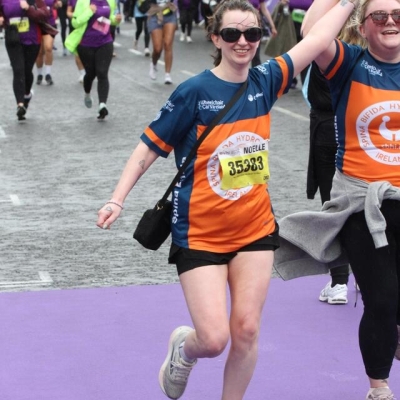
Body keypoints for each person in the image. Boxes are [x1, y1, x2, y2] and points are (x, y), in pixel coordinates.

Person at [96, 0, 358, 398]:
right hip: (199, 234)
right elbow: (148, 148)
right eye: (232, 33)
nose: (243, 42)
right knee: (214, 338)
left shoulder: (267, 80)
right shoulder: (195, 91)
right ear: (216, 38)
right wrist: (117, 199)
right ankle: (185, 349)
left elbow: (318, 37)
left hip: (254, 228)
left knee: (247, 330)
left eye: (252, 33)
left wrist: (351, 2)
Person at [274, 0, 400, 398]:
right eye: (379, 16)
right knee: (382, 300)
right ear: (362, 27)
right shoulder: (350, 64)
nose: (390, 22)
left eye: (398, 15)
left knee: (393, 308)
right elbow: (313, 32)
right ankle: (379, 388)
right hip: (362, 205)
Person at [306, 24, 367, 305]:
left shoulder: (328, 57)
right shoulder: (372, 59)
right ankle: (366, 274)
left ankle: (339, 281)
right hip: (362, 135)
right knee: (367, 205)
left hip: (329, 132)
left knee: (333, 207)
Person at [64, 0, 122, 119]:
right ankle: (87, 93)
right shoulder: (83, 2)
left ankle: (102, 105)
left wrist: (116, 20)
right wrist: (89, 12)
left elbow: (109, 18)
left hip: (105, 42)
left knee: (102, 72)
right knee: (90, 74)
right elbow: (75, 23)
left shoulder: (110, 1)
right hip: (86, 44)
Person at [0, 0, 50, 120]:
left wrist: (28, 8)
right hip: (13, 40)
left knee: (27, 72)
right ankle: (20, 105)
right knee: (18, 70)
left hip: (32, 40)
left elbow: (45, 14)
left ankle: (27, 95)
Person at [147, 0, 177, 84]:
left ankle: (167, 74)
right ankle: (153, 63)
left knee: (168, 44)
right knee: (157, 48)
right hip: (154, 14)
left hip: (169, 14)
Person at [35, 0, 61, 85]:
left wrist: (58, 4)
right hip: (37, 25)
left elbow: (56, 4)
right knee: (39, 52)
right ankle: (39, 74)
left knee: (48, 48)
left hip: (49, 24)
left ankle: (48, 74)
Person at [248, 0, 277, 67]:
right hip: (241, 25)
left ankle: (256, 72)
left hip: (255, 25)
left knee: (256, 54)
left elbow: (264, 10)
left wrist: (272, 26)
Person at [66, 0, 86, 82]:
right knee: (78, 51)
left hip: (89, 27)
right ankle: (82, 73)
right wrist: (77, 15)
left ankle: (90, 71)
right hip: (76, 27)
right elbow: (68, 12)